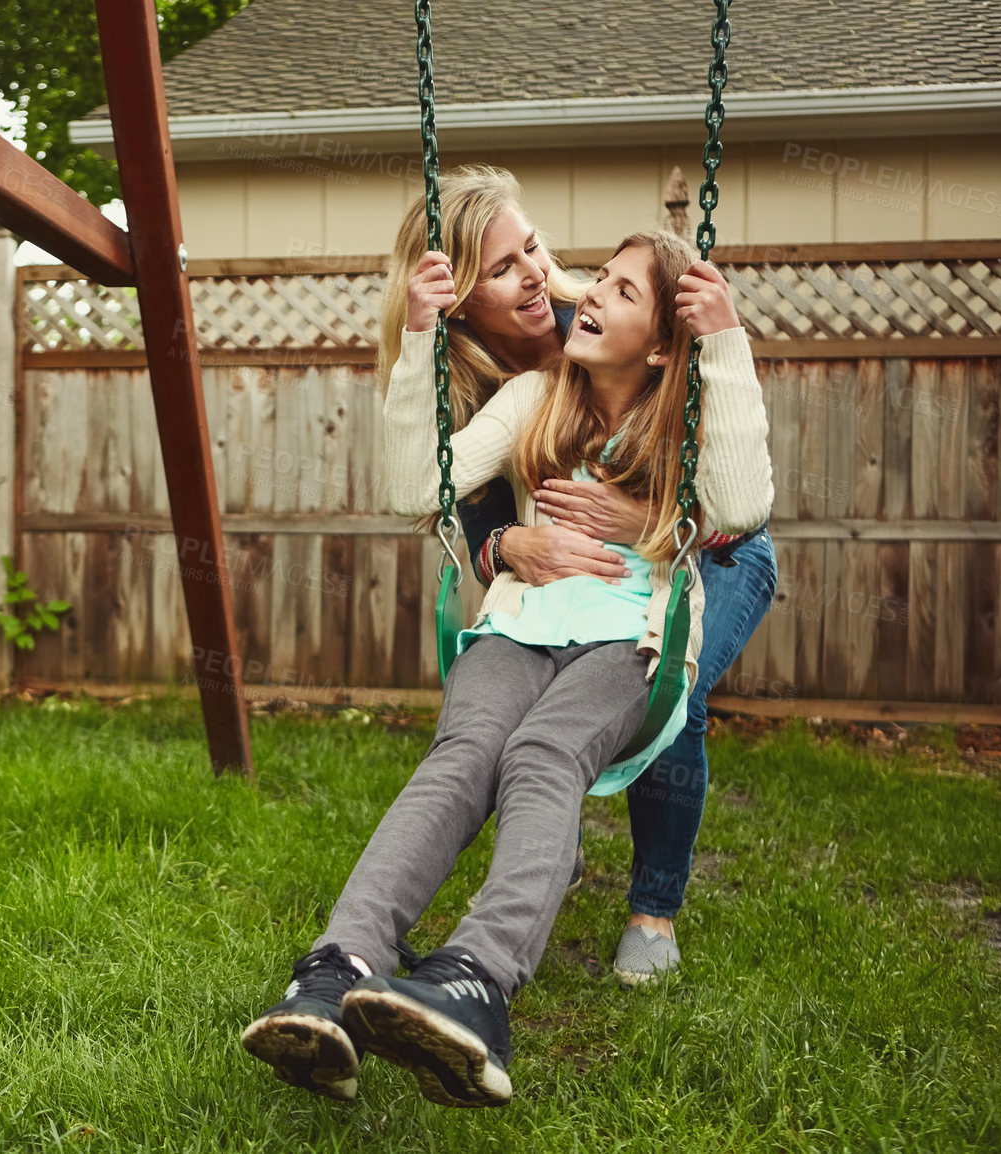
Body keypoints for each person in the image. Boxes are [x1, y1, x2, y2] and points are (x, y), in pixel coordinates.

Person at [240, 225, 773, 1108]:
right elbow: (418, 491)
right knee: (461, 756)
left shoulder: (686, 410)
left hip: (631, 638)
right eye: (597, 278)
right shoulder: (534, 395)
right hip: (519, 626)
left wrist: (724, 338)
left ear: (666, 339)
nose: (589, 293)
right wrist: (418, 339)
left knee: (541, 758)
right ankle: (335, 972)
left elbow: (743, 505)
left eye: (624, 292)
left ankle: (478, 979)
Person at [391, 166, 778, 985]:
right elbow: (452, 500)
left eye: (533, 248)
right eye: (503, 268)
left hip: (706, 549)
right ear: (458, 297)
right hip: (571, 574)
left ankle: (654, 910)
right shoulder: (466, 377)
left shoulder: (606, 314)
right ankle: (546, 844)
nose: (539, 275)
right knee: (522, 731)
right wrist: (506, 550)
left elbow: (728, 490)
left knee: (673, 685)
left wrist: (652, 528)